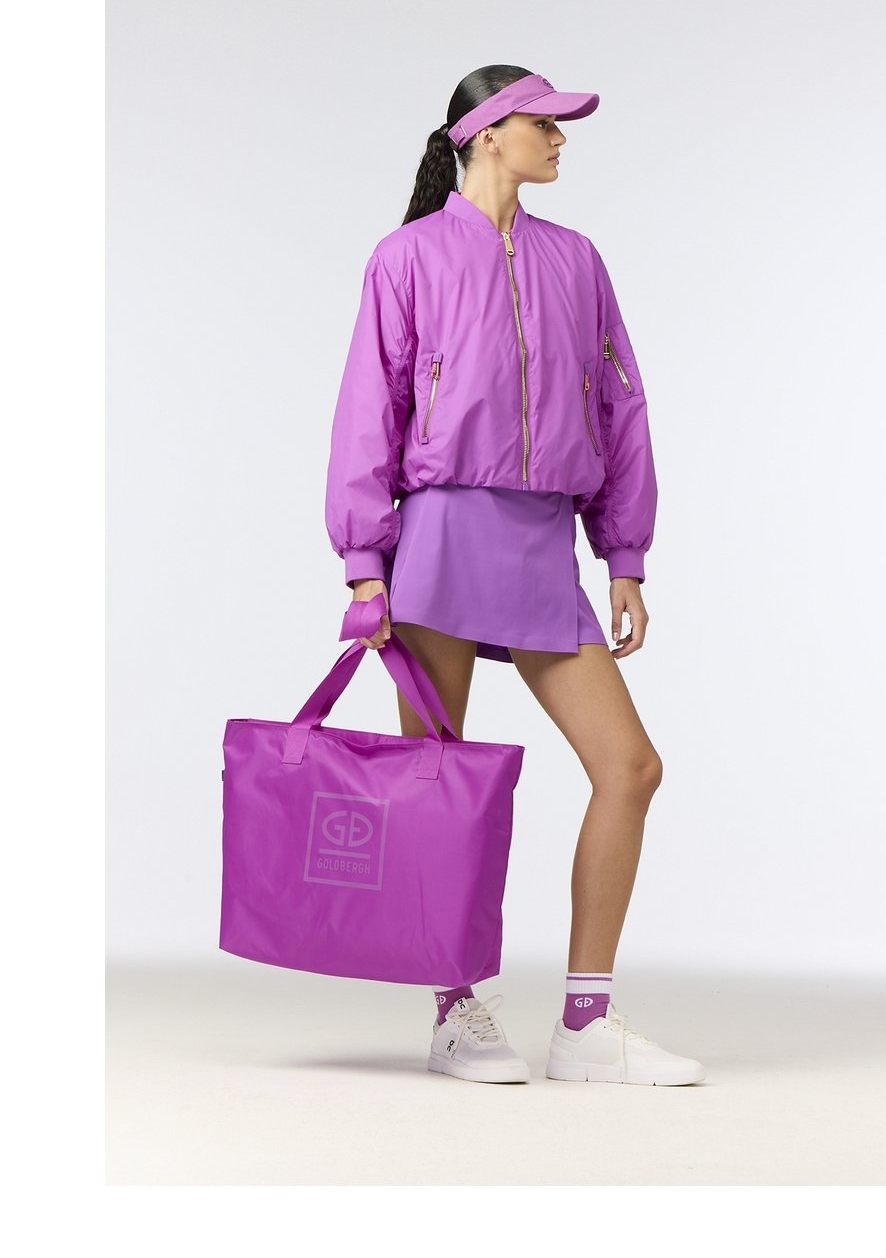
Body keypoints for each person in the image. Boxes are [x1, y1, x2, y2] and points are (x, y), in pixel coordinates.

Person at [325, 64, 705, 1088]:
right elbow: (369, 406)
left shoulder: (575, 259)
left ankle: (586, 1024)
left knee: (629, 767)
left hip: (543, 542)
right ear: (487, 134)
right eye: (546, 124)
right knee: (437, 783)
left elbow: (621, 405)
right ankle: (453, 1008)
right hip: (440, 536)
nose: (561, 139)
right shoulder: (407, 256)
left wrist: (622, 555)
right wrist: (364, 566)